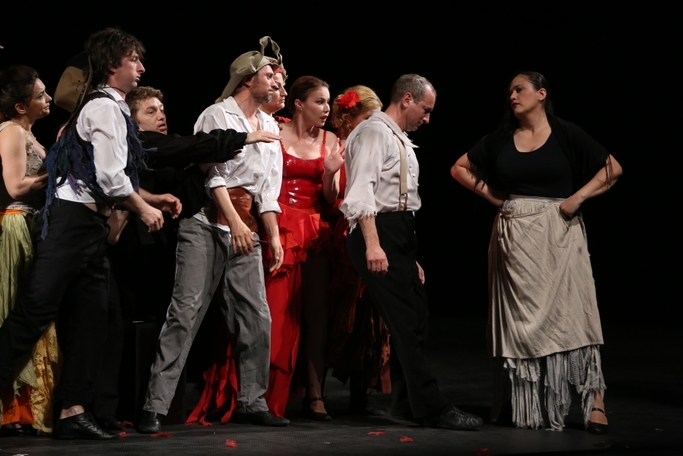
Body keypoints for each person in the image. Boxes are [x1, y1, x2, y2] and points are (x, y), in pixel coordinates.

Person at [0, 28, 180, 440]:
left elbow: (102, 177)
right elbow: (110, 177)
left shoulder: (110, 107)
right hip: (71, 225)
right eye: (134, 60)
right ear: (113, 64)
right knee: (35, 311)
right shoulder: (102, 107)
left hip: (89, 226)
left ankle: (73, 410)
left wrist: (151, 197)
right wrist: (144, 207)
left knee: (92, 318)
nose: (141, 67)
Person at [450, 72, 622, 433]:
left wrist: (576, 198)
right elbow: (459, 168)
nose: (512, 96)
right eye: (510, 91)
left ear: (541, 94)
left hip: (559, 233)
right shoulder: (501, 138)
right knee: (520, 325)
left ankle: (595, 400)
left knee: (575, 314)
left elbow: (612, 169)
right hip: (516, 238)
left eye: (520, 89)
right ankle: (528, 400)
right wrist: (494, 197)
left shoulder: (565, 132)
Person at [138, 36, 289, 433]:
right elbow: (213, 174)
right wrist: (233, 223)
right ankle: (156, 405)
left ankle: (252, 401)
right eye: (268, 76)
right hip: (206, 224)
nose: (275, 83)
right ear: (247, 80)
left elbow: (267, 190)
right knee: (185, 312)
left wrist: (272, 235)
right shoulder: (216, 115)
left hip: (246, 225)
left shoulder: (269, 125)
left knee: (256, 316)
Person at [341, 74, 483, 431]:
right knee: (405, 320)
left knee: (416, 314)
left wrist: (407, 254)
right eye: (426, 109)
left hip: (398, 233)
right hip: (377, 230)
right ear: (407, 99)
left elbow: (399, 199)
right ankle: (432, 407)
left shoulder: (397, 137)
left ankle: (406, 403)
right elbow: (362, 191)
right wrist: (374, 244)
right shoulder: (374, 132)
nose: (427, 118)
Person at [258, 76, 342, 421]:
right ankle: (265, 393)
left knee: (316, 313)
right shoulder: (274, 132)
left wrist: (330, 174)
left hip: (314, 230)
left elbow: (331, 198)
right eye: (320, 101)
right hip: (278, 227)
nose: (326, 108)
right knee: (276, 312)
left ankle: (315, 392)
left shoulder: (331, 140)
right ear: (298, 104)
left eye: (328, 102)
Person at [0, 65, 59, 436]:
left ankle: (28, 409)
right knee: (15, 308)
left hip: (32, 224)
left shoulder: (30, 134)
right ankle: (11, 410)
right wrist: (56, 172)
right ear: (21, 106)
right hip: (15, 223)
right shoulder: (10, 130)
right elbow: (16, 186)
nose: (48, 99)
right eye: (40, 95)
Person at [327, 85, 390, 415]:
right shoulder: (336, 146)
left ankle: (361, 391)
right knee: (344, 309)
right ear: (349, 117)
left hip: (375, 228)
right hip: (344, 232)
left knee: (370, 313)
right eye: (367, 118)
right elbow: (333, 196)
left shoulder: (377, 143)